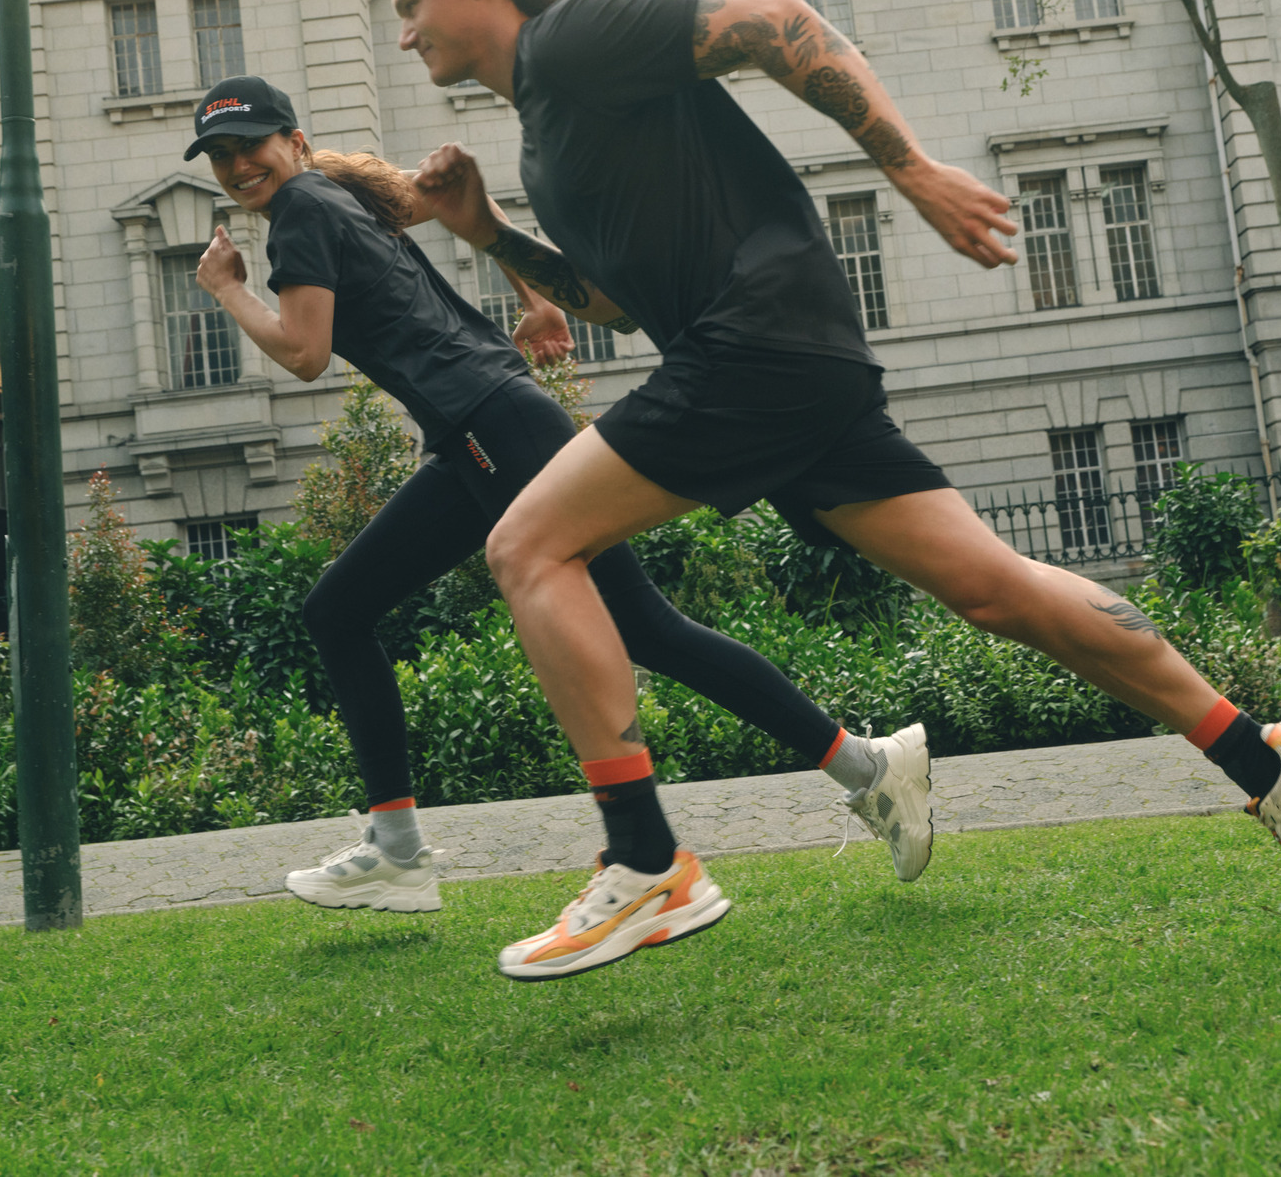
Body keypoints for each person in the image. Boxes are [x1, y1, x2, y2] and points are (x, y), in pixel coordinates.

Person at [383, 0, 1281, 980]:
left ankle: (646, 857)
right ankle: (1265, 756)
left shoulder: (574, 33)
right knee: (993, 589)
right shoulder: (550, 124)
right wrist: (488, 235)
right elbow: (613, 301)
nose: (406, 29)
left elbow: (775, 20)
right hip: (784, 357)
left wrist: (908, 166)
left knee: (528, 546)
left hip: (752, 346)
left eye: (413, 1)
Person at [183, 75, 934, 951]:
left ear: (295, 141)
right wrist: (533, 298)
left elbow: (306, 352)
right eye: (223, 156)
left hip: (490, 428)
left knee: (645, 628)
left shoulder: (305, 208)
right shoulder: (334, 198)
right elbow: (452, 212)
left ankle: (863, 766)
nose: (240, 165)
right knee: (340, 609)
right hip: (478, 432)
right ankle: (396, 850)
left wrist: (229, 290)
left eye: (253, 145)